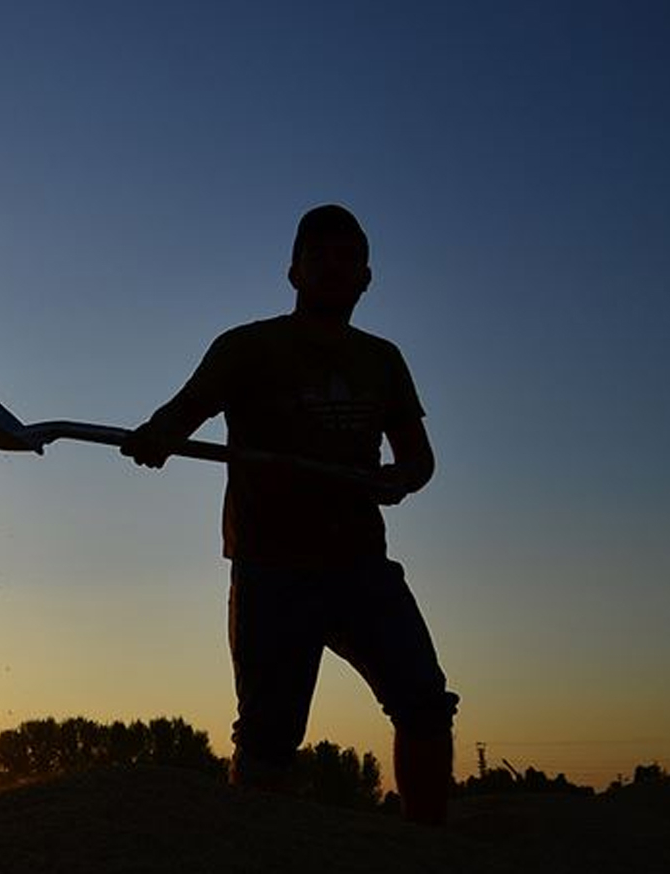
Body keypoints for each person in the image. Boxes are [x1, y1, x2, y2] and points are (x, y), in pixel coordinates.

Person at [119, 204, 458, 825]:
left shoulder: (383, 360)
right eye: (318, 255)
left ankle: (428, 844)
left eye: (347, 257)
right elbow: (184, 411)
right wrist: (157, 436)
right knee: (269, 742)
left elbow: (418, 458)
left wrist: (399, 479)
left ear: (367, 278)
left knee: (425, 704)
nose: (334, 266)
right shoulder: (247, 348)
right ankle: (255, 847)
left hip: (360, 566)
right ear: (293, 272)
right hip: (272, 571)